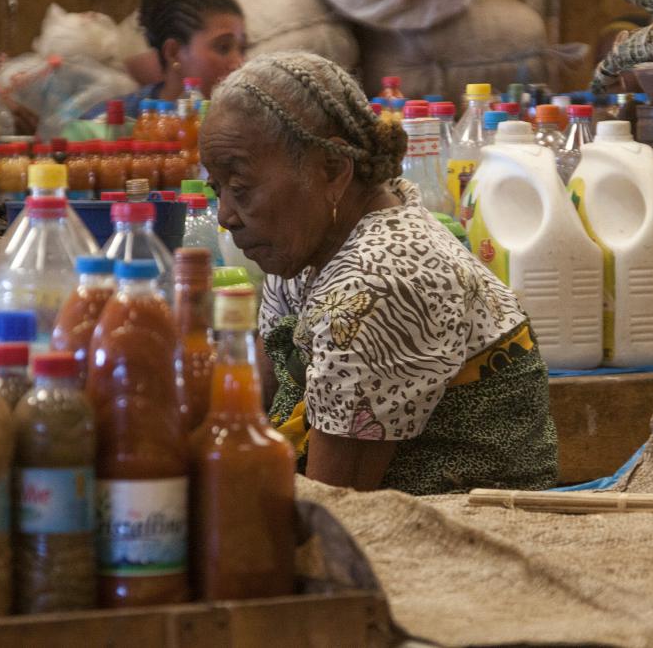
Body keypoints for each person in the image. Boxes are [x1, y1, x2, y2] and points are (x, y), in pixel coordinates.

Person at [201, 52, 557, 496]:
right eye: (217, 190)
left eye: (240, 189)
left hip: (457, 529)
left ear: (331, 172)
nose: (226, 216)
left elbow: (340, 509)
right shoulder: (309, 241)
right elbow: (251, 399)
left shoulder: (379, 285)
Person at [82, 0, 245, 119]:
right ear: (173, 53)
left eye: (243, 49)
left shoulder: (248, 124)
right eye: (223, 48)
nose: (239, 63)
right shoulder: (110, 124)